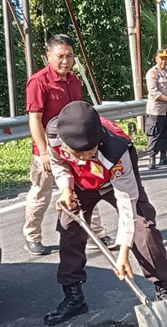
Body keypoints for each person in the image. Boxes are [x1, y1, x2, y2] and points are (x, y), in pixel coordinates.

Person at [42, 101, 167, 326]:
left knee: (144, 230)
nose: (83, 159)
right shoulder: (55, 134)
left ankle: (163, 291)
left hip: (116, 184)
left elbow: (126, 207)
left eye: (89, 152)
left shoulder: (117, 150)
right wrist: (66, 189)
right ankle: (73, 296)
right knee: (68, 227)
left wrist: (122, 254)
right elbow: (60, 164)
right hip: (81, 185)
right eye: (77, 153)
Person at [23, 34, 113, 255]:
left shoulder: (74, 80)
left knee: (86, 189)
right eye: (60, 56)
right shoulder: (39, 81)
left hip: (73, 148)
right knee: (40, 194)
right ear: (48, 56)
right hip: (46, 150)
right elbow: (34, 119)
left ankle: (96, 233)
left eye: (69, 56)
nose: (65, 61)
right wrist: (43, 152)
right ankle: (32, 235)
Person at [144, 49, 167, 170]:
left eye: (166, 58)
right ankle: (152, 158)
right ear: (156, 59)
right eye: (162, 58)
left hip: (166, 110)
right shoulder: (153, 73)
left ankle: (163, 157)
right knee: (154, 133)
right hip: (156, 110)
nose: (164, 61)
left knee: (165, 132)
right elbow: (154, 92)